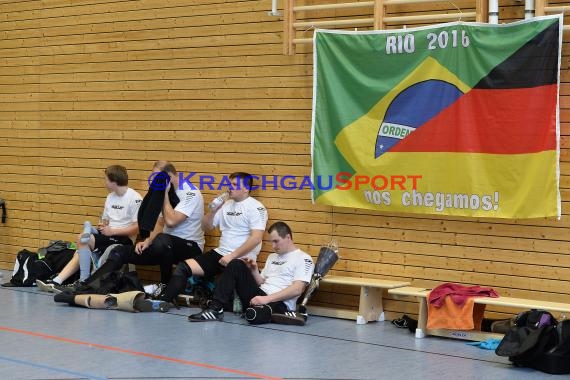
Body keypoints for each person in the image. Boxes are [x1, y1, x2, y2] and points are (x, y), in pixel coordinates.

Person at [59, 161, 205, 295]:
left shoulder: (190, 192)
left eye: (157, 177)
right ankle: (89, 286)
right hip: (164, 245)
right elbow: (161, 223)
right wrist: (147, 241)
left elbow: (172, 221)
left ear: (169, 176)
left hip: (190, 246)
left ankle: (165, 285)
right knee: (120, 251)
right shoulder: (165, 192)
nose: (154, 181)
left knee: (163, 240)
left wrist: (165, 194)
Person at [159, 172, 268, 304]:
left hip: (240, 259)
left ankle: (216, 308)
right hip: (221, 253)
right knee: (183, 267)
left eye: (234, 185)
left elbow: (256, 238)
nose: (230, 187)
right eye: (229, 184)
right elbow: (205, 227)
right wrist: (213, 210)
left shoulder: (256, 207)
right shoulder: (226, 205)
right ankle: (163, 302)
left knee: (221, 287)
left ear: (246, 188)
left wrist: (232, 255)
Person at [37, 165, 142, 292]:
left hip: (122, 239)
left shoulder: (135, 198)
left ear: (114, 181)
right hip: (108, 235)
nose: (105, 183)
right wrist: (103, 226)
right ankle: (58, 281)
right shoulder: (110, 197)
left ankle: (82, 282)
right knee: (82, 240)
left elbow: (137, 228)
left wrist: (112, 231)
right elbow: (106, 220)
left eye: (106, 180)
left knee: (83, 240)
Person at [188, 221, 314, 325]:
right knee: (236, 263)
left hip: (279, 302)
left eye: (276, 241)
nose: (273, 246)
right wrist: (253, 270)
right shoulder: (272, 257)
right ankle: (215, 309)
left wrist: (266, 299)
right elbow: (262, 282)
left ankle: (279, 314)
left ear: (288, 237)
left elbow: (297, 289)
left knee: (252, 316)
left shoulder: (303, 258)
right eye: (271, 242)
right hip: (260, 295)